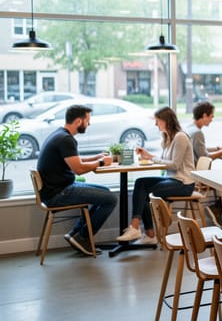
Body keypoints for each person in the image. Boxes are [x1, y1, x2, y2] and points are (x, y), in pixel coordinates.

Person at [36, 104, 117, 256]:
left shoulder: (59, 134)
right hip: (59, 193)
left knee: (105, 193)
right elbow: (78, 169)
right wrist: (101, 163)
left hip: (56, 189)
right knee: (111, 199)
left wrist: (96, 157)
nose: (89, 124)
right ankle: (83, 237)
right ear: (79, 121)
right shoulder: (66, 140)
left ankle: (75, 234)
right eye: (88, 120)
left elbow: (74, 161)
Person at [117, 107, 195, 244]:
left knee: (145, 192)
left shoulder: (180, 137)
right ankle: (148, 234)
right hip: (172, 179)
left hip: (183, 184)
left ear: (166, 121)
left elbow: (175, 165)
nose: (155, 124)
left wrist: (152, 158)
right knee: (140, 183)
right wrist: (148, 156)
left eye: (157, 121)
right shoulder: (169, 137)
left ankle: (138, 228)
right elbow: (165, 161)